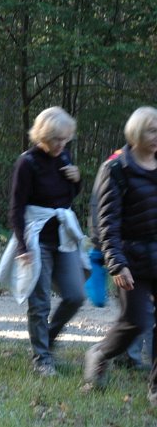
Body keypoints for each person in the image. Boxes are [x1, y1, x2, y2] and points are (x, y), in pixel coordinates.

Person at [0, 106, 85, 377]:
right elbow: (16, 209)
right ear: (43, 136)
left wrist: (77, 181)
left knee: (75, 295)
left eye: (65, 139)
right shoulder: (27, 163)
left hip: (63, 239)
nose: (61, 144)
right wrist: (22, 247)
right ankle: (42, 359)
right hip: (37, 240)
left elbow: (67, 197)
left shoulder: (64, 156)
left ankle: (46, 341)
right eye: (56, 139)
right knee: (40, 303)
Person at [84, 107, 157, 400]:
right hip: (131, 259)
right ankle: (100, 353)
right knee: (135, 321)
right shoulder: (116, 168)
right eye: (151, 130)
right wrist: (116, 264)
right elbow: (107, 222)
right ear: (136, 133)